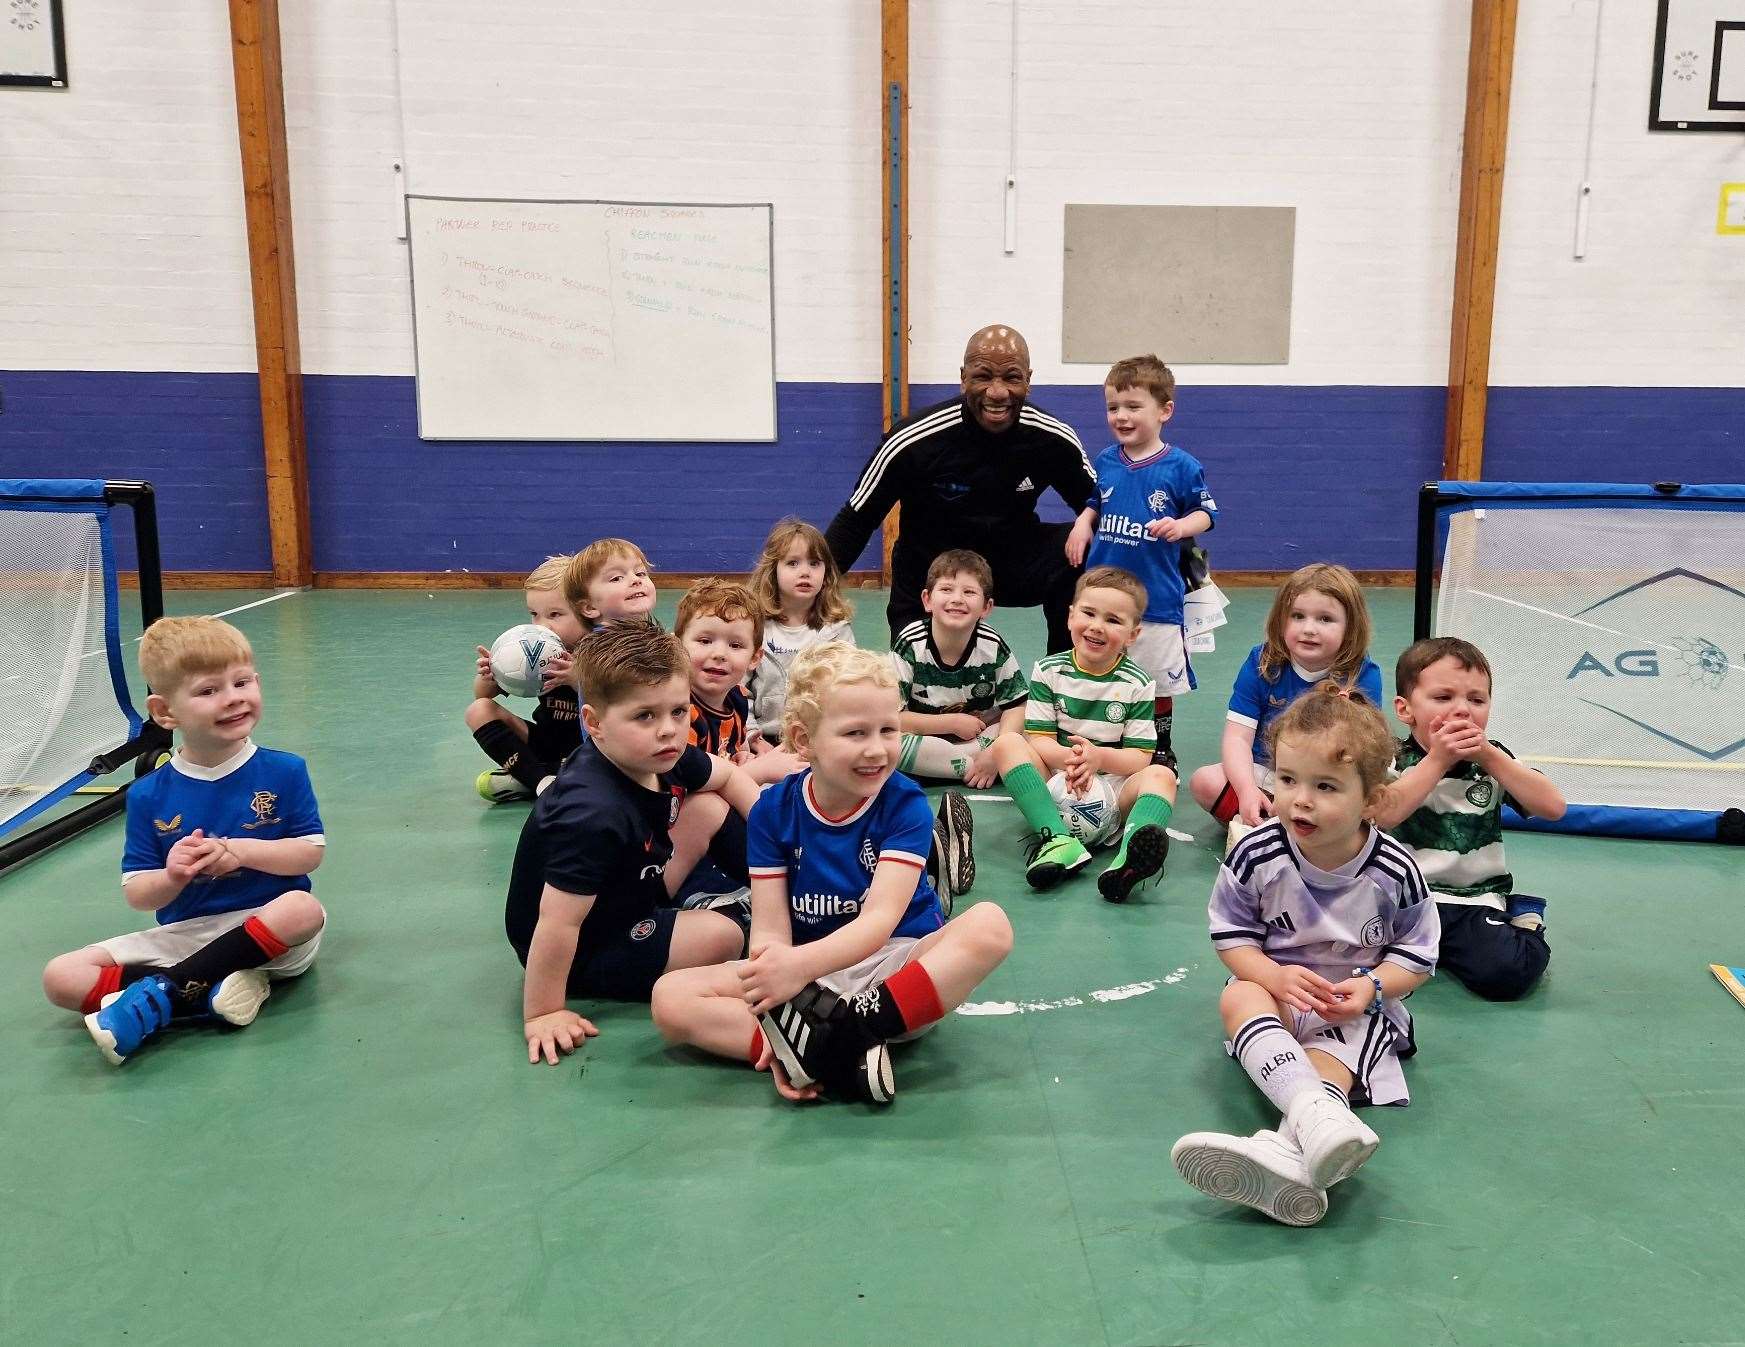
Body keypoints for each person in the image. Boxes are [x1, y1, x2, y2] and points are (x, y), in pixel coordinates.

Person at [650, 644, 1012, 1104]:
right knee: (669, 998)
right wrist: (779, 994)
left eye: (888, 729)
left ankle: (839, 1041)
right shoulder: (772, 811)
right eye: (855, 733)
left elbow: (878, 923)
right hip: (809, 983)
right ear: (803, 740)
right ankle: (814, 1050)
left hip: (894, 970)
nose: (877, 748)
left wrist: (797, 973)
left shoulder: (903, 803)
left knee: (990, 926)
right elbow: (769, 928)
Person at [1170, 684, 1440, 1227]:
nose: (1300, 799)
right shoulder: (1255, 851)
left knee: (1330, 1061)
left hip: (1357, 1005)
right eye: (1287, 780)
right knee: (1240, 995)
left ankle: (1288, 1146)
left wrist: (1371, 987)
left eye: (1325, 786)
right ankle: (1314, 1124)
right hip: (1280, 993)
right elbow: (1231, 937)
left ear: (1371, 800)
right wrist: (1272, 975)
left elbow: (1418, 954)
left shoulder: (1395, 870)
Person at [42, 617, 327, 1066]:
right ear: (165, 712)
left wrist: (240, 850)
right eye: (208, 690)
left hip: (270, 932)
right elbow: (138, 893)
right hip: (188, 934)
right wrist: (174, 875)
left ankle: (166, 995)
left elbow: (309, 853)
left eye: (241, 682)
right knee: (60, 977)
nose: (233, 697)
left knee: (304, 909)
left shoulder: (284, 770)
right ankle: (210, 991)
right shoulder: (148, 794)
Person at [506, 621, 759, 1065]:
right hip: (591, 943)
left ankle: (786, 895)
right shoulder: (590, 812)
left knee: (707, 806)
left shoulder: (656, 753)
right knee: (722, 936)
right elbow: (557, 924)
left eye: (679, 712)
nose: (668, 730)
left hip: (630, 888)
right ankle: (734, 919)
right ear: (594, 723)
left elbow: (731, 776)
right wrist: (543, 1012)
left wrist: (778, 852)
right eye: (645, 715)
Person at [823, 324, 1098, 652]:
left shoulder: (1052, 438)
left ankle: (1065, 680)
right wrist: (806, 595)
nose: (997, 392)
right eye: (983, 376)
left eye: (1011, 377)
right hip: (931, 569)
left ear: (1028, 379)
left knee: (1087, 547)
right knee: (920, 685)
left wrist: (1166, 555)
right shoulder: (913, 440)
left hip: (1009, 562)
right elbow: (856, 519)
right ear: (963, 377)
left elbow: (1100, 505)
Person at [1374, 637, 1565, 1001]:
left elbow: (1553, 807)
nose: (1462, 710)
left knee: (1508, 975)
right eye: (1443, 698)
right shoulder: (1391, 759)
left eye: (1476, 700)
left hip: (1472, 901)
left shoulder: (1493, 761)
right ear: (1405, 709)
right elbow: (1385, 814)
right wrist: (1437, 761)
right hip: (1400, 901)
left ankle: (1525, 921)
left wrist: (1493, 758)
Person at [988, 566, 1179, 901]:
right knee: (1006, 743)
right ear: (1070, 616)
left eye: (1113, 620)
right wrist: (1075, 761)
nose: (1096, 626)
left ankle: (1124, 863)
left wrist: (1098, 759)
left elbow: (1139, 757)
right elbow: (1040, 740)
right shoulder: (1049, 671)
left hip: (1111, 788)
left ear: (1132, 635)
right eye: (1088, 613)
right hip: (1059, 781)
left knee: (1161, 775)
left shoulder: (1138, 683)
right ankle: (1058, 840)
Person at [1066, 355, 1216, 770]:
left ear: (1164, 410)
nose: (1121, 416)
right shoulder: (1107, 460)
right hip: (1104, 595)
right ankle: (1106, 737)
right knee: (1102, 665)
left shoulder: (1182, 466)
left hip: (1156, 600)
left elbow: (1208, 514)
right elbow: (1095, 501)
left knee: (1154, 680)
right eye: (1113, 407)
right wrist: (1082, 523)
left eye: (1133, 406)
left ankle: (1159, 746)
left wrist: (1182, 525)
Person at [1188, 563, 1382, 841]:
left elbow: (1364, 752)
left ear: (1351, 627)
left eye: (1325, 619)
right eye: (1297, 616)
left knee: (1382, 796)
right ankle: (1268, 818)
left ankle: (1281, 825)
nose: (1309, 629)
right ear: (1281, 620)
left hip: (1328, 778)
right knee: (1205, 782)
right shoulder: (1262, 663)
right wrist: (1246, 791)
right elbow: (1237, 738)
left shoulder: (1362, 675)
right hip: (1272, 774)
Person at [667, 578, 801, 904]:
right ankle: (696, 893)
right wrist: (760, 770)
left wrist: (746, 758)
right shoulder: (678, 713)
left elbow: (734, 750)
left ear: (755, 658)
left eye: (735, 646)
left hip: (722, 810)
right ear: (676, 645)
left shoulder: (738, 698)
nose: (719, 654)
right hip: (677, 828)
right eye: (704, 640)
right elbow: (687, 789)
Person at [891, 548, 1028, 790]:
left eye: (969, 592)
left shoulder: (992, 645)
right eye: (946, 589)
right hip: (926, 739)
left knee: (1026, 731)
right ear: (927, 600)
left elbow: (1017, 706)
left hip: (980, 739)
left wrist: (997, 750)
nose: (957, 598)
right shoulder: (910, 644)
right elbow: (894, 717)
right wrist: (951, 723)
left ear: (986, 607)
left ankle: (953, 767)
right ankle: (971, 769)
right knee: (888, 742)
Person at [466, 554, 584, 803]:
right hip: (547, 743)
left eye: (555, 614)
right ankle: (542, 782)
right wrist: (491, 676)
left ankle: (526, 777)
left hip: (592, 750)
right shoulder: (531, 652)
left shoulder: (603, 650)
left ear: (588, 609)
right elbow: (483, 696)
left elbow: (618, 699)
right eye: (534, 614)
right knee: (479, 710)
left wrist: (577, 678)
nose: (542, 625)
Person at [744, 518, 855, 741]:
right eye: (793, 563)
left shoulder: (837, 631)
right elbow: (736, 690)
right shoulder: (754, 627)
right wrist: (751, 736)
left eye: (815, 563)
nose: (805, 572)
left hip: (820, 739)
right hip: (763, 739)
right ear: (772, 571)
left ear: (826, 575)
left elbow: (849, 688)